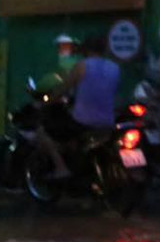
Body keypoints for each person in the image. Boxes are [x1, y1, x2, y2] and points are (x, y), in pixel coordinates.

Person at [35, 33, 121, 180]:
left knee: (43, 131)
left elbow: (63, 89)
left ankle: (61, 168)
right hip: (108, 121)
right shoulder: (115, 68)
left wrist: (44, 103)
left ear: (86, 51)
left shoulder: (82, 66)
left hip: (83, 122)